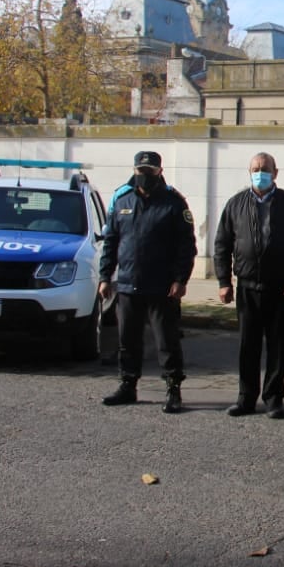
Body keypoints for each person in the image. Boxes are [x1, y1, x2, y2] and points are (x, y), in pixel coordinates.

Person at [213, 152, 284, 419]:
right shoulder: (236, 204)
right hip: (247, 287)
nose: (260, 173)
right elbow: (222, 245)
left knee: (277, 346)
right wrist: (224, 281)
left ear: (275, 172)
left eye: (265, 168)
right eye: (256, 168)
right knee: (248, 346)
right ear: (249, 171)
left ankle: (274, 399)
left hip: (281, 288)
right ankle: (246, 398)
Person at [99, 151, 198, 413]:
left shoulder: (174, 203)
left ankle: (173, 389)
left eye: (149, 172)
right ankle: (127, 385)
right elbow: (111, 242)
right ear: (134, 170)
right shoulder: (122, 201)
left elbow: (186, 246)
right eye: (140, 171)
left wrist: (180, 279)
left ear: (159, 172)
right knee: (127, 340)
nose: (144, 176)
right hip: (128, 283)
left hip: (162, 286)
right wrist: (105, 276)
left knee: (166, 341)